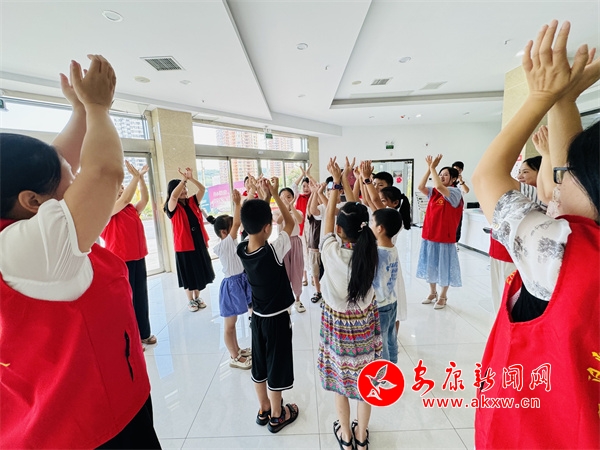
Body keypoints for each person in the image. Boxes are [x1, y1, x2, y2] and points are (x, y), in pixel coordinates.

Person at [0, 56, 160, 448]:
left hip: (81, 415)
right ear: (33, 201)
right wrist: (99, 109)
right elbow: (104, 173)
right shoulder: (29, 250)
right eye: (70, 179)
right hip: (93, 428)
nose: (76, 181)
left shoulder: (18, 227)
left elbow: (55, 161)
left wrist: (80, 112)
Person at [472, 20, 599, 448]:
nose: (557, 181)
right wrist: (564, 100)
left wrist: (541, 96)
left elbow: (488, 176)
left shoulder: (562, 254)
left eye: (571, 174)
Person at [318, 158, 381, 450]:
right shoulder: (372, 250)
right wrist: (348, 181)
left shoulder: (331, 252)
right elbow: (360, 216)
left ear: (340, 231)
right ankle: (362, 436)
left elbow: (327, 223)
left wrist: (336, 184)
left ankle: (345, 436)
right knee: (366, 384)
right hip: (365, 326)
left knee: (340, 385)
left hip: (338, 329)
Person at [237, 178, 300, 433]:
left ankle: (263, 408)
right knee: (277, 364)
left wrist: (264, 199)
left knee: (260, 363)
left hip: (258, 318)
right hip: (277, 319)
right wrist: (273, 192)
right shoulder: (273, 251)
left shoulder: (242, 249)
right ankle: (277, 414)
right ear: (267, 227)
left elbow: (255, 225)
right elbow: (290, 223)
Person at [101, 160, 157, 347]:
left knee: (141, 297)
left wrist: (140, 179)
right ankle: (131, 340)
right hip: (121, 261)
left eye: (122, 187)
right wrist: (134, 177)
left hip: (138, 258)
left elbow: (144, 200)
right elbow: (125, 199)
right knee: (126, 301)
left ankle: (144, 333)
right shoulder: (106, 210)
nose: (122, 190)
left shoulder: (130, 209)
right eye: (119, 188)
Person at [208, 190, 252, 369]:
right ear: (224, 231)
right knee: (229, 325)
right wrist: (237, 203)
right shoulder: (225, 244)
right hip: (232, 286)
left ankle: (237, 350)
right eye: (232, 226)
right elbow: (238, 223)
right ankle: (234, 357)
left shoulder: (231, 243)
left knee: (233, 324)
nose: (236, 227)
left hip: (239, 282)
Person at [164, 168, 215, 312]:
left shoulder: (192, 201)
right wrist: (183, 180)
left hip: (198, 242)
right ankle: (190, 300)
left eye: (185, 188)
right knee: (188, 274)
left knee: (199, 271)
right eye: (181, 188)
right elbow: (174, 197)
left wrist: (190, 179)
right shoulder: (171, 206)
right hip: (184, 246)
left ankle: (197, 297)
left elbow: (202, 189)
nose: (184, 190)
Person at [416, 156, 464, 309]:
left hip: (444, 237)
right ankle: (432, 292)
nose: (442, 177)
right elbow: (420, 186)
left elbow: (439, 185)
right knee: (431, 265)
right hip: (430, 235)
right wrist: (429, 168)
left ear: (453, 179)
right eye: (440, 174)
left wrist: (433, 168)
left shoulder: (455, 192)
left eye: (446, 175)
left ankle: (443, 296)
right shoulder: (434, 192)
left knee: (444, 267)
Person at [371, 208, 407, 364]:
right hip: (392, 301)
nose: (370, 226)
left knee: (381, 342)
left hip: (380, 305)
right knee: (391, 336)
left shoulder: (378, 253)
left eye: (372, 222)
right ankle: (392, 363)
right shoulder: (392, 248)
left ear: (380, 228)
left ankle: (384, 371)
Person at [277, 187, 307, 313]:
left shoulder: (297, 211)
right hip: (283, 243)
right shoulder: (277, 212)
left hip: (295, 242)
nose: (286, 199)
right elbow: (278, 220)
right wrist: (285, 208)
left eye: (288, 197)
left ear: (293, 198)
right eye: (283, 197)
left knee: (297, 270)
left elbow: (300, 220)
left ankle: (298, 300)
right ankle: (287, 302)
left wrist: (291, 207)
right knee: (285, 272)